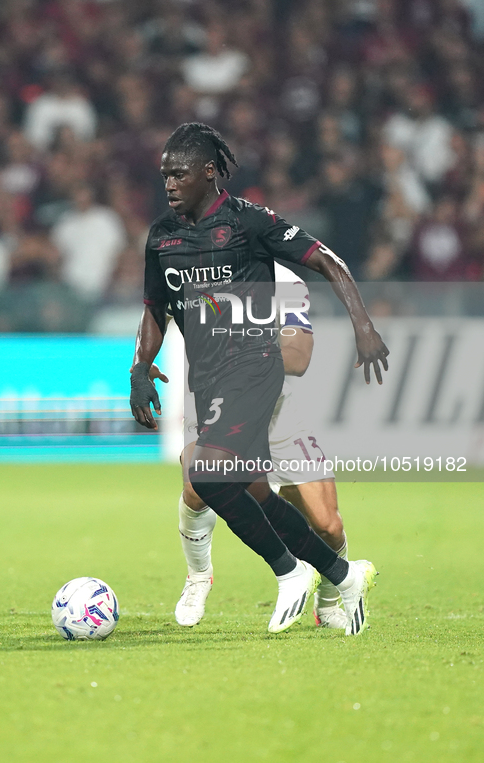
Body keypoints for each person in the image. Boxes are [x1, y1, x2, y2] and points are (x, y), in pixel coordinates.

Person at [130, 123, 389, 636]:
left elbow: (328, 262)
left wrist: (363, 325)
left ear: (209, 172)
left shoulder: (249, 223)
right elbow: (155, 308)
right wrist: (140, 368)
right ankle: (340, 574)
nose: (169, 184)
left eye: (179, 174)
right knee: (244, 489)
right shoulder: (163, 236)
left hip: (255, 370)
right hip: (208, 381)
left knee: (207, 477)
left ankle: (292, 573)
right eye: (164, 175)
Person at [173, 264, 349, 629]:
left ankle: (330, 598)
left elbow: (299, 357)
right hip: (218, 403)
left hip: (275, 413)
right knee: (196, 486)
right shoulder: (196, 269)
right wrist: (139, 367)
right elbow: (157, 312)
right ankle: (198, 577)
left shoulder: (282, 281)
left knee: (327, 524)